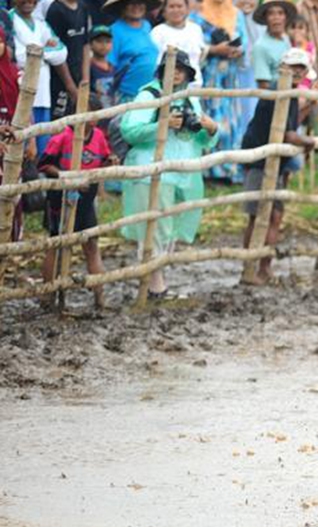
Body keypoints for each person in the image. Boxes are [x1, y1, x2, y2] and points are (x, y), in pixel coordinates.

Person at [120, 52, 219, 299]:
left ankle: (156, 283)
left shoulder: (189, 98)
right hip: (151, 170)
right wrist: (162, 125)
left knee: (171, 228)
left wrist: (211, 128)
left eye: (181, 69)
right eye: (171, 68)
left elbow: (200, 137)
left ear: (187, 73)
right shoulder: (149, 95)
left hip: (182, 172)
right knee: (154, 229)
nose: (176, 73)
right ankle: (155, 287)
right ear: (161, 70)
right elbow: (130, 130)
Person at [239, 47, 316, 284]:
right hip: (260, 159)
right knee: (259, 214)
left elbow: (288, 124)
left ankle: (263, 268)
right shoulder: (279, 93)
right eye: (293, 67)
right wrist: (308, 142)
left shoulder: (287, 93)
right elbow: (288, 134)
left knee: (274, 215)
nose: (296, 71)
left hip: (275, 161)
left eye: (300, 68)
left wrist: (311, 104)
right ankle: (251, 268)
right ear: (283, 68)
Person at [39, 95, 111, 308]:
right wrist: (66, 178)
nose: (92, 118)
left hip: (87, 199)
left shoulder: (98, 136)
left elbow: (105, 158)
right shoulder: (63, 135)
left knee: (91, 245)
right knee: (56, 243)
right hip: (60, 197)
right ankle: (48, 295)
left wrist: (111, 162)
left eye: (95, 113)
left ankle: (99, 296)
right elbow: (45, 164)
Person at [194, 0, 249, 181]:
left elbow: (246, 43)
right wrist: (214, 50)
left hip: (230, 79)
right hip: (208, 78)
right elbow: (194, 48)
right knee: (210, 119)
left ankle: (228, 169)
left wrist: (238, 50)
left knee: (230, 120)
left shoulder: (237, 14)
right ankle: (208, 170)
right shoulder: (197, 15)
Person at [11, 0, 70, 154]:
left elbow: (62, 53)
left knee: (42, 145)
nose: (28, 2)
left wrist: (37, 52)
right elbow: (19, 57)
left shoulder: (41, 22)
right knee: (20, 145)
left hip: (43, 94)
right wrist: (45, 50)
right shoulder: (8, 19)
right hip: (20, 90)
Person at [45, 0, 90, 120]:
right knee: (59, 121)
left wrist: (85, 78)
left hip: (78, 75)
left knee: (79, 119)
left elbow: (85, 44)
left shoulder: (83, 7)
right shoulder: (55, 10)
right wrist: (70, 86)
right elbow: (55, 51)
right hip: (59, 78)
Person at [107, 0, 159, 102]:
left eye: (140, 3)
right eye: (131, 3)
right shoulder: (114, 30)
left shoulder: (147, 26)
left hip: (150, 93)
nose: (136, 7)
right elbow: (108, 66)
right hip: (127, 95)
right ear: (122, 6)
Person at [151, 0, 206, 87]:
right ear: (164, 11)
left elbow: (200, 55)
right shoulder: (157, 32)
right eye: (171, 7)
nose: (176, 10)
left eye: (179, 6)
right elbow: (155, 62)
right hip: (170, 88)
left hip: (194, 85)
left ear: (187, 9)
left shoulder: (196, 29)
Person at [251, 0, 294, 88]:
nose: (276, 17)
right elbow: (263, 85)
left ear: (285, 17)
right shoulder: (260, 46)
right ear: (265, 18)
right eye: (271, 14)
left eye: (280, 13)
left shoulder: (285, 39)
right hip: (272, 98)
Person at [88, 25, 116, 113]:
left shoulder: (113, 67)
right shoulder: (88, 67)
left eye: (107, 41)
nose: (103, 45)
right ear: (90, 44)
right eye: (99, 41)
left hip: (110, 110)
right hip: (94, 113)